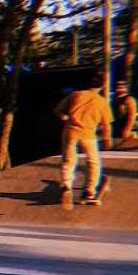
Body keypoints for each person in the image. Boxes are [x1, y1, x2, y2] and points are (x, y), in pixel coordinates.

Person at [53, 70, 114, 208]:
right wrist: (107, 140)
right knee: (93, 162)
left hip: (70, 133)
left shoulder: (75, 95)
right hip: (88, 136)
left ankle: (67, 186)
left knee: (68, 161)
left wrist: (64, 117)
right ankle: (90, 191)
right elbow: (106, 125)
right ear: (102, 86)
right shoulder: (102, 102)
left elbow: (58, 110)